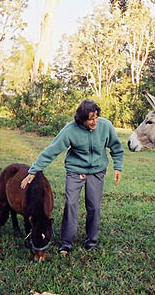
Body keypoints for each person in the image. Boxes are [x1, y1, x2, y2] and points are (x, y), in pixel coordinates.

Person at [20, 99, 124, 255]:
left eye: (96, 117)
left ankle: (91, 242)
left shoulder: (105, 126)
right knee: (70, 205)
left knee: (94, 207)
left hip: (96, 171)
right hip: (75, 171)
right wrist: (34, 171)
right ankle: (66, 243)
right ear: (81, 119)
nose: (95, 121)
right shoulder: (70, 130)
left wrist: (118, 167)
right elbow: (52, 150)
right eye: (90, 118)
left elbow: (116, 147)